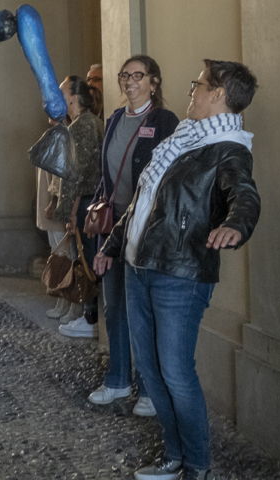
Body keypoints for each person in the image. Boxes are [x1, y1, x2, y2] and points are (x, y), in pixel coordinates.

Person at [97, 60, 260, 480]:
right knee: (149, 371)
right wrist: (114, 245)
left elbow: (243, 195)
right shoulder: (183, 139)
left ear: (219, 95)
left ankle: (198, 465)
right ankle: (172, 455)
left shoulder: (230, 147)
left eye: (199, 85)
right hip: (139, 265)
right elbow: (143, 203)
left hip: (180, 274)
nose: (192, 91)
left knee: (174, 371)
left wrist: (235, 225)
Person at [77, 55, 178, 418]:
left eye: (139, 75)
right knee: (115, 304)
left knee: (144, 311)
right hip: (113, 222)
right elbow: (108, 174)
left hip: (145, 227)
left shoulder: (165, 121)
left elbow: (170, 176)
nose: (130, 81)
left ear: (154, 81)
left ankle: (150, 390)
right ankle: (118, 379)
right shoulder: (116, 119)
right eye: (125, 75)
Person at [42, 77, 103, 322]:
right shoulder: (82, 124)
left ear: (73, 98)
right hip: (84, 201)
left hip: (85, 203)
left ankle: (88, 316)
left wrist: (69, 210)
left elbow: (78, 174)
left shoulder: (83, 126)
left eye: (62, 92)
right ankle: (84, 312)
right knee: (82, 258)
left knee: (85, 261)